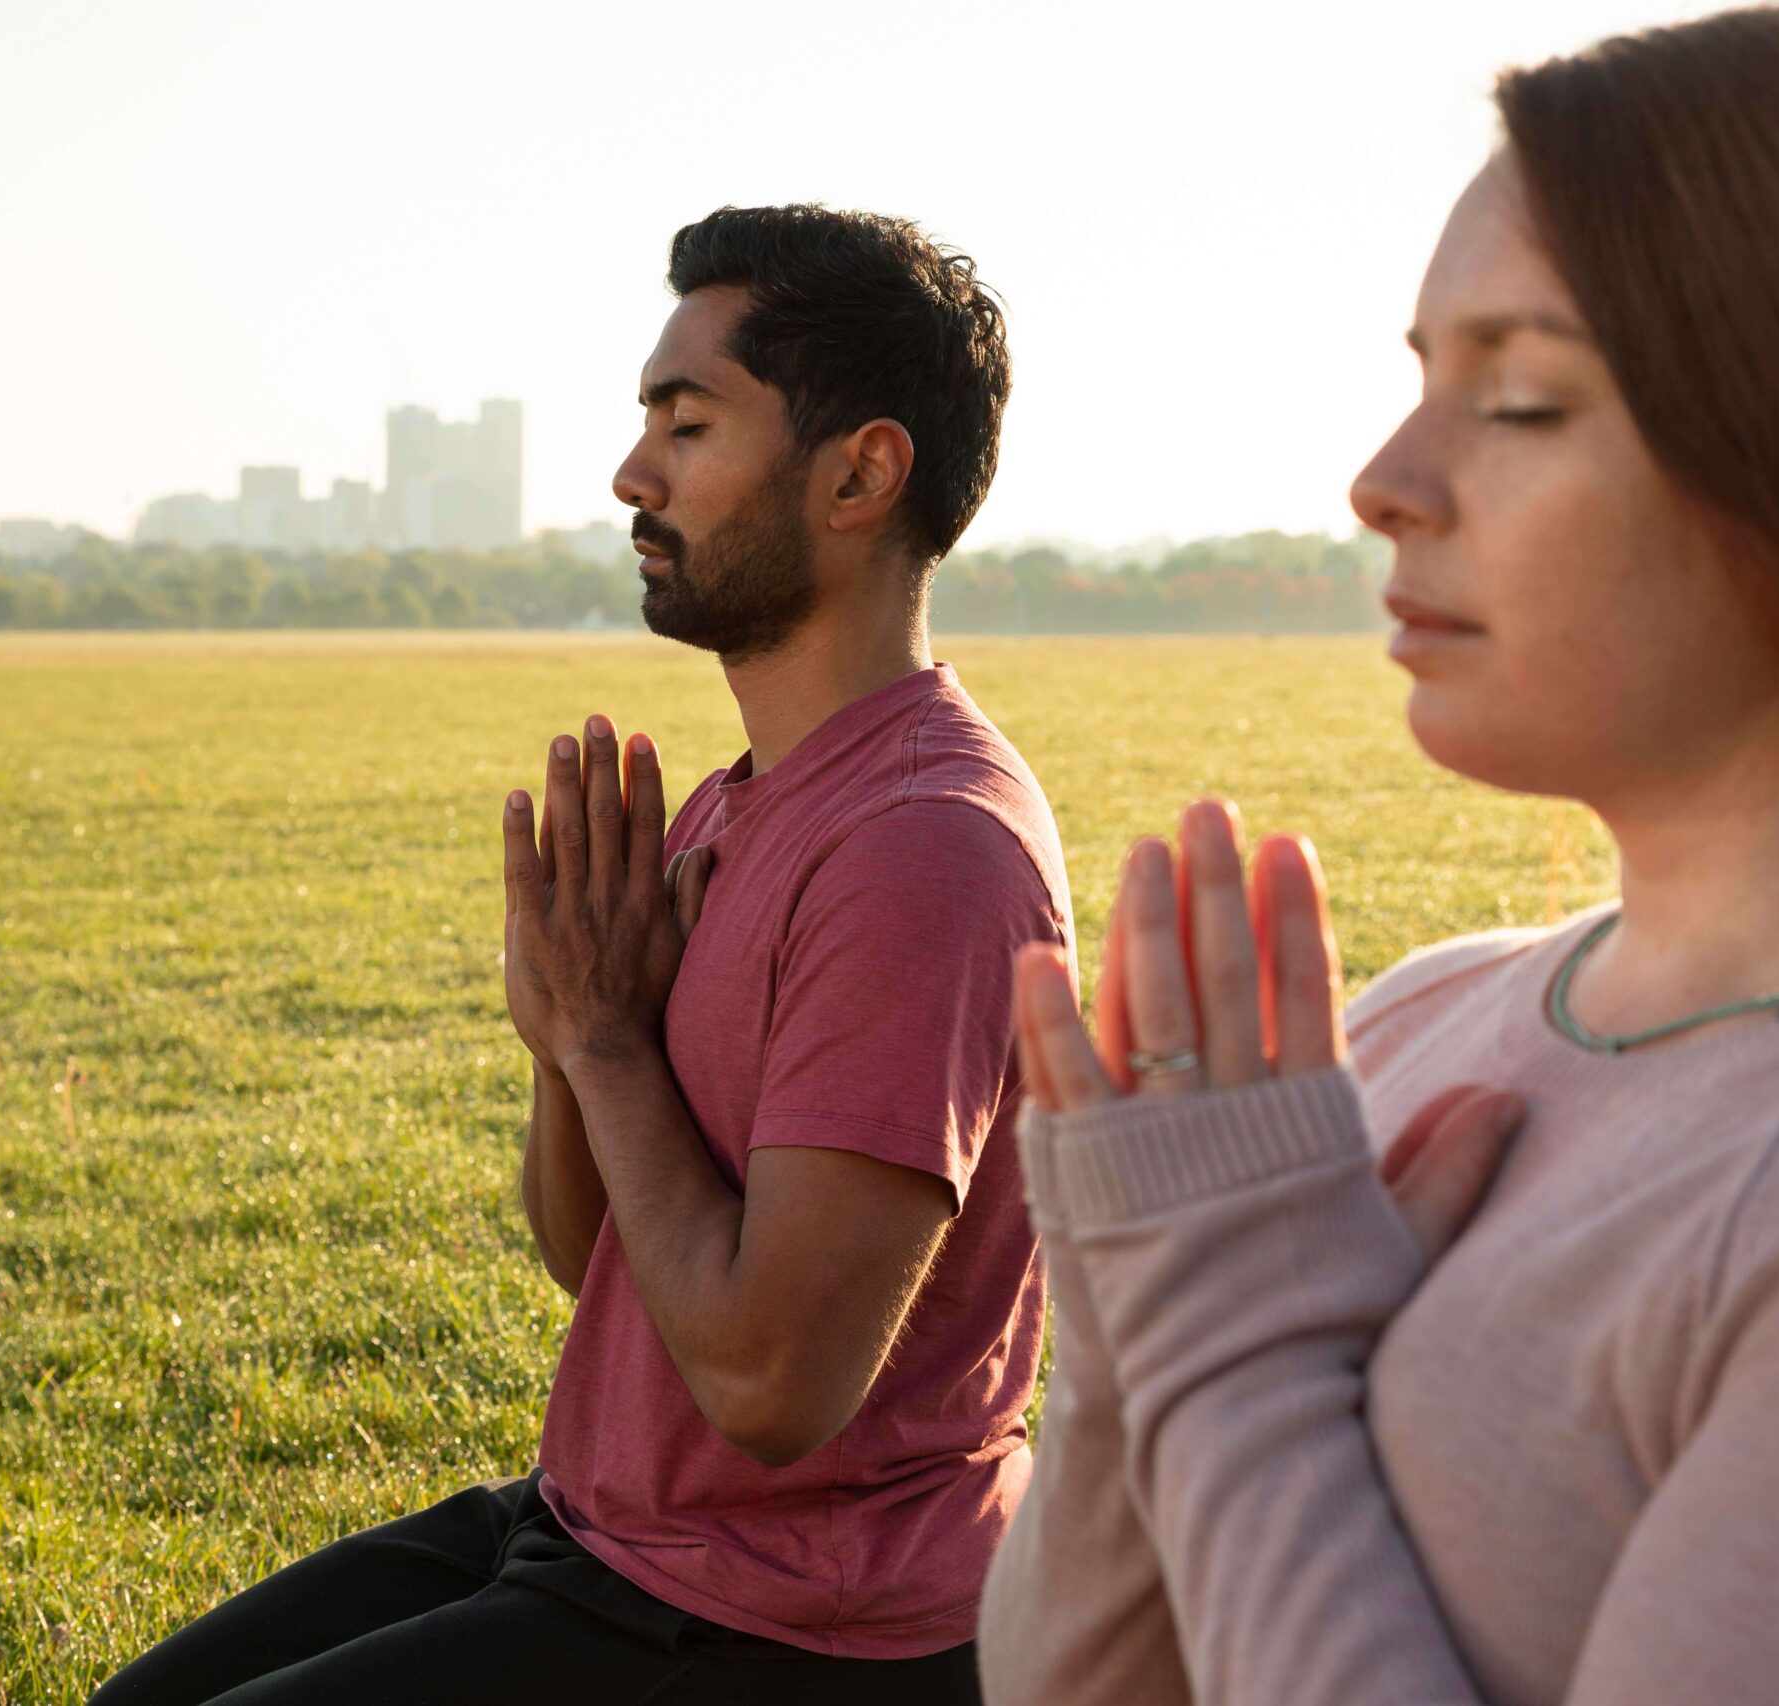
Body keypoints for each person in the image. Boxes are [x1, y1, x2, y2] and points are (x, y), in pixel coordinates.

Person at [980, 6, 1779, 1703]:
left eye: (1520, 400)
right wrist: (1127, 1309)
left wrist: (1234, 1343)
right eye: (1419, 379)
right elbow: (1060, 1684)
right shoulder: (1414, 1022)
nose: (1382, 482)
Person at [92, 204, 1067, 1704]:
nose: (632, 475)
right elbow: (591, 1252)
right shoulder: (741, 804)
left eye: (688, 424)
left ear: (861, 473)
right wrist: (564, 1038)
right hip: (601, 1533)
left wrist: (608, 1041)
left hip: (789, 1622)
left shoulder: (922, 846)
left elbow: (770, 1384)